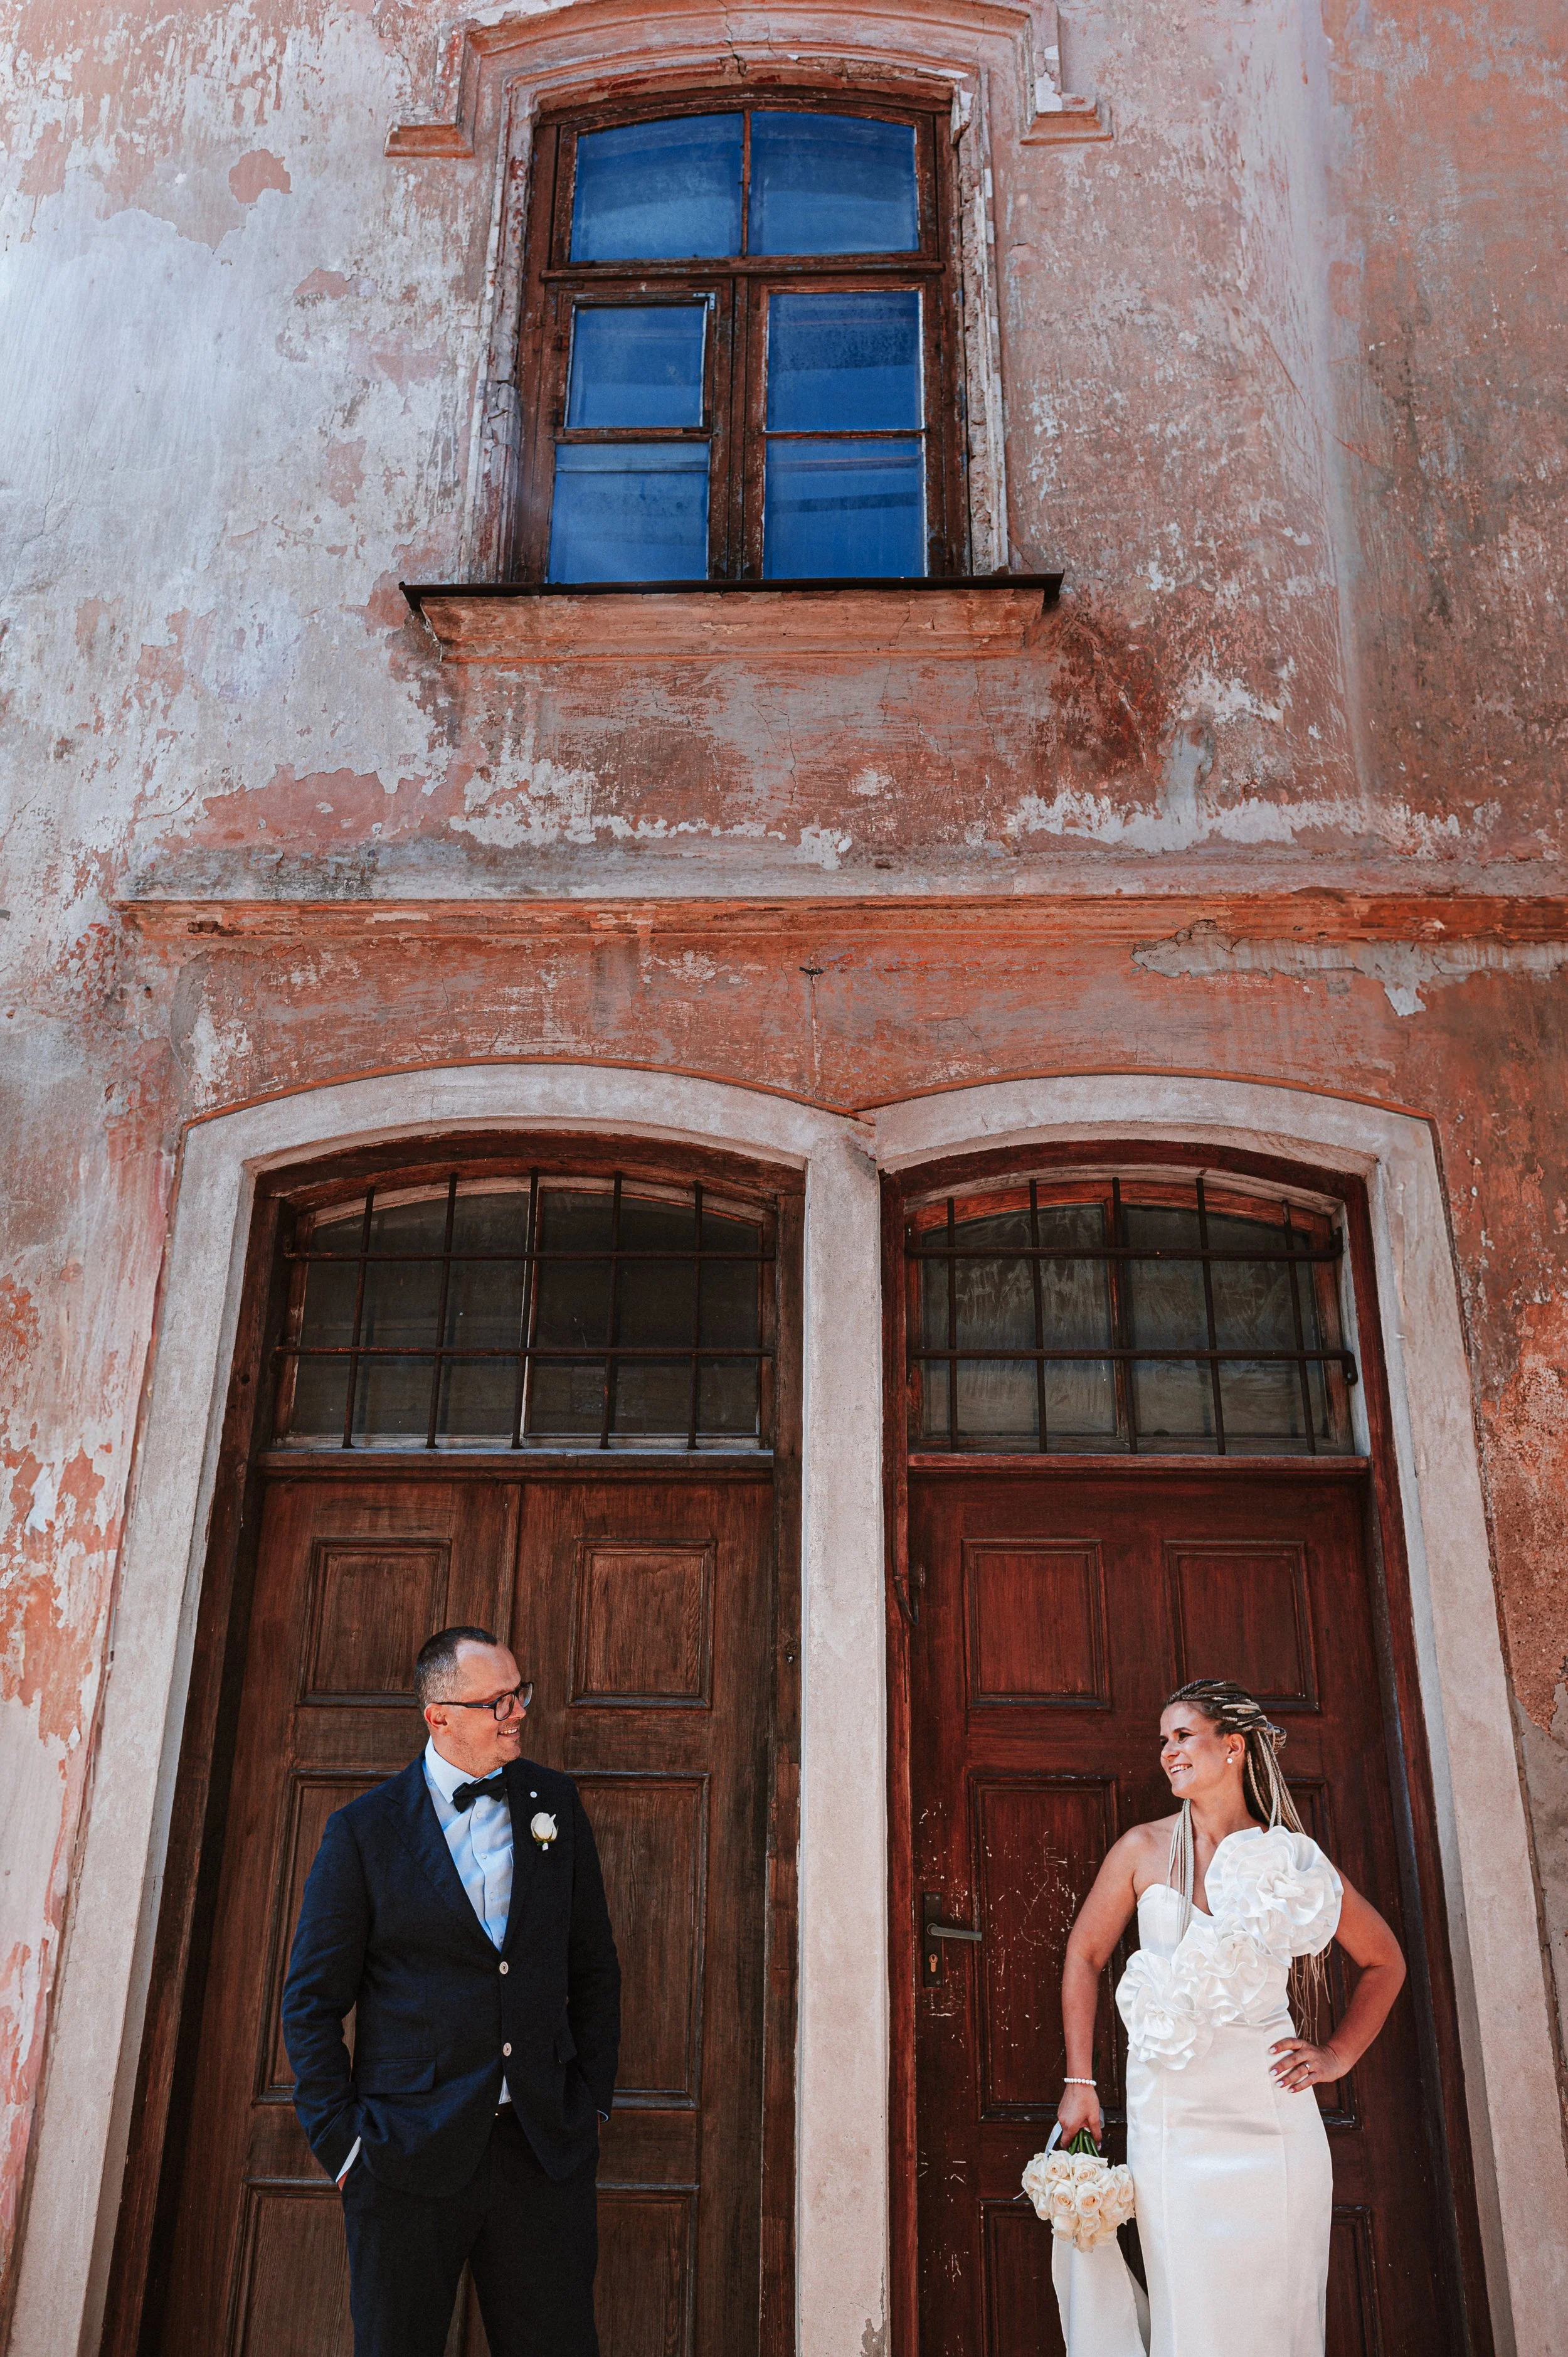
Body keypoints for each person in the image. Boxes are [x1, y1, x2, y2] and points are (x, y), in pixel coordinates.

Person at [282, 1624, 621, 2357]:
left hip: (540, 2149)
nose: (518, 1713)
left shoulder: (554, 1805)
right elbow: (311, 2001)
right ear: (439, 1715)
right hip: (405, 2154)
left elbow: (593, 1964)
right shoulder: (363, 1832)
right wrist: (342, 2147)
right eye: (498, 1702)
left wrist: (588, 2099)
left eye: (518, 1694)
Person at [1056, 1678, 1406, 2356]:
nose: (1167, 1751)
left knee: (1279, 2308)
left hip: (1271, 2121)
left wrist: (1338, 2054)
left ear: (1233, 1746)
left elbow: (1384, 1960)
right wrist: (1081, 2080)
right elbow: (1085, 1955)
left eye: (1182, 1735)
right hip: (1173, 2117)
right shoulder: (1141, 1848)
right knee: (1191, 2303)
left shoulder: (1290, 1861)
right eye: (1163, 1740)